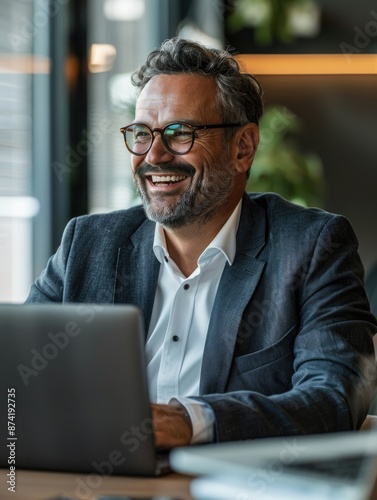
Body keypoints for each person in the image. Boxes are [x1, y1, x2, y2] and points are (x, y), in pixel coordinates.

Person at [26, 37, 377, 449]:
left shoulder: (312, 247)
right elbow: (16, 380)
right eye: (142, 133)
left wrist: (191, 423)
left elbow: (334, 398)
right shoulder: (86, 244)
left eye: (180, 133)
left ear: (243, 148)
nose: (153, 156)